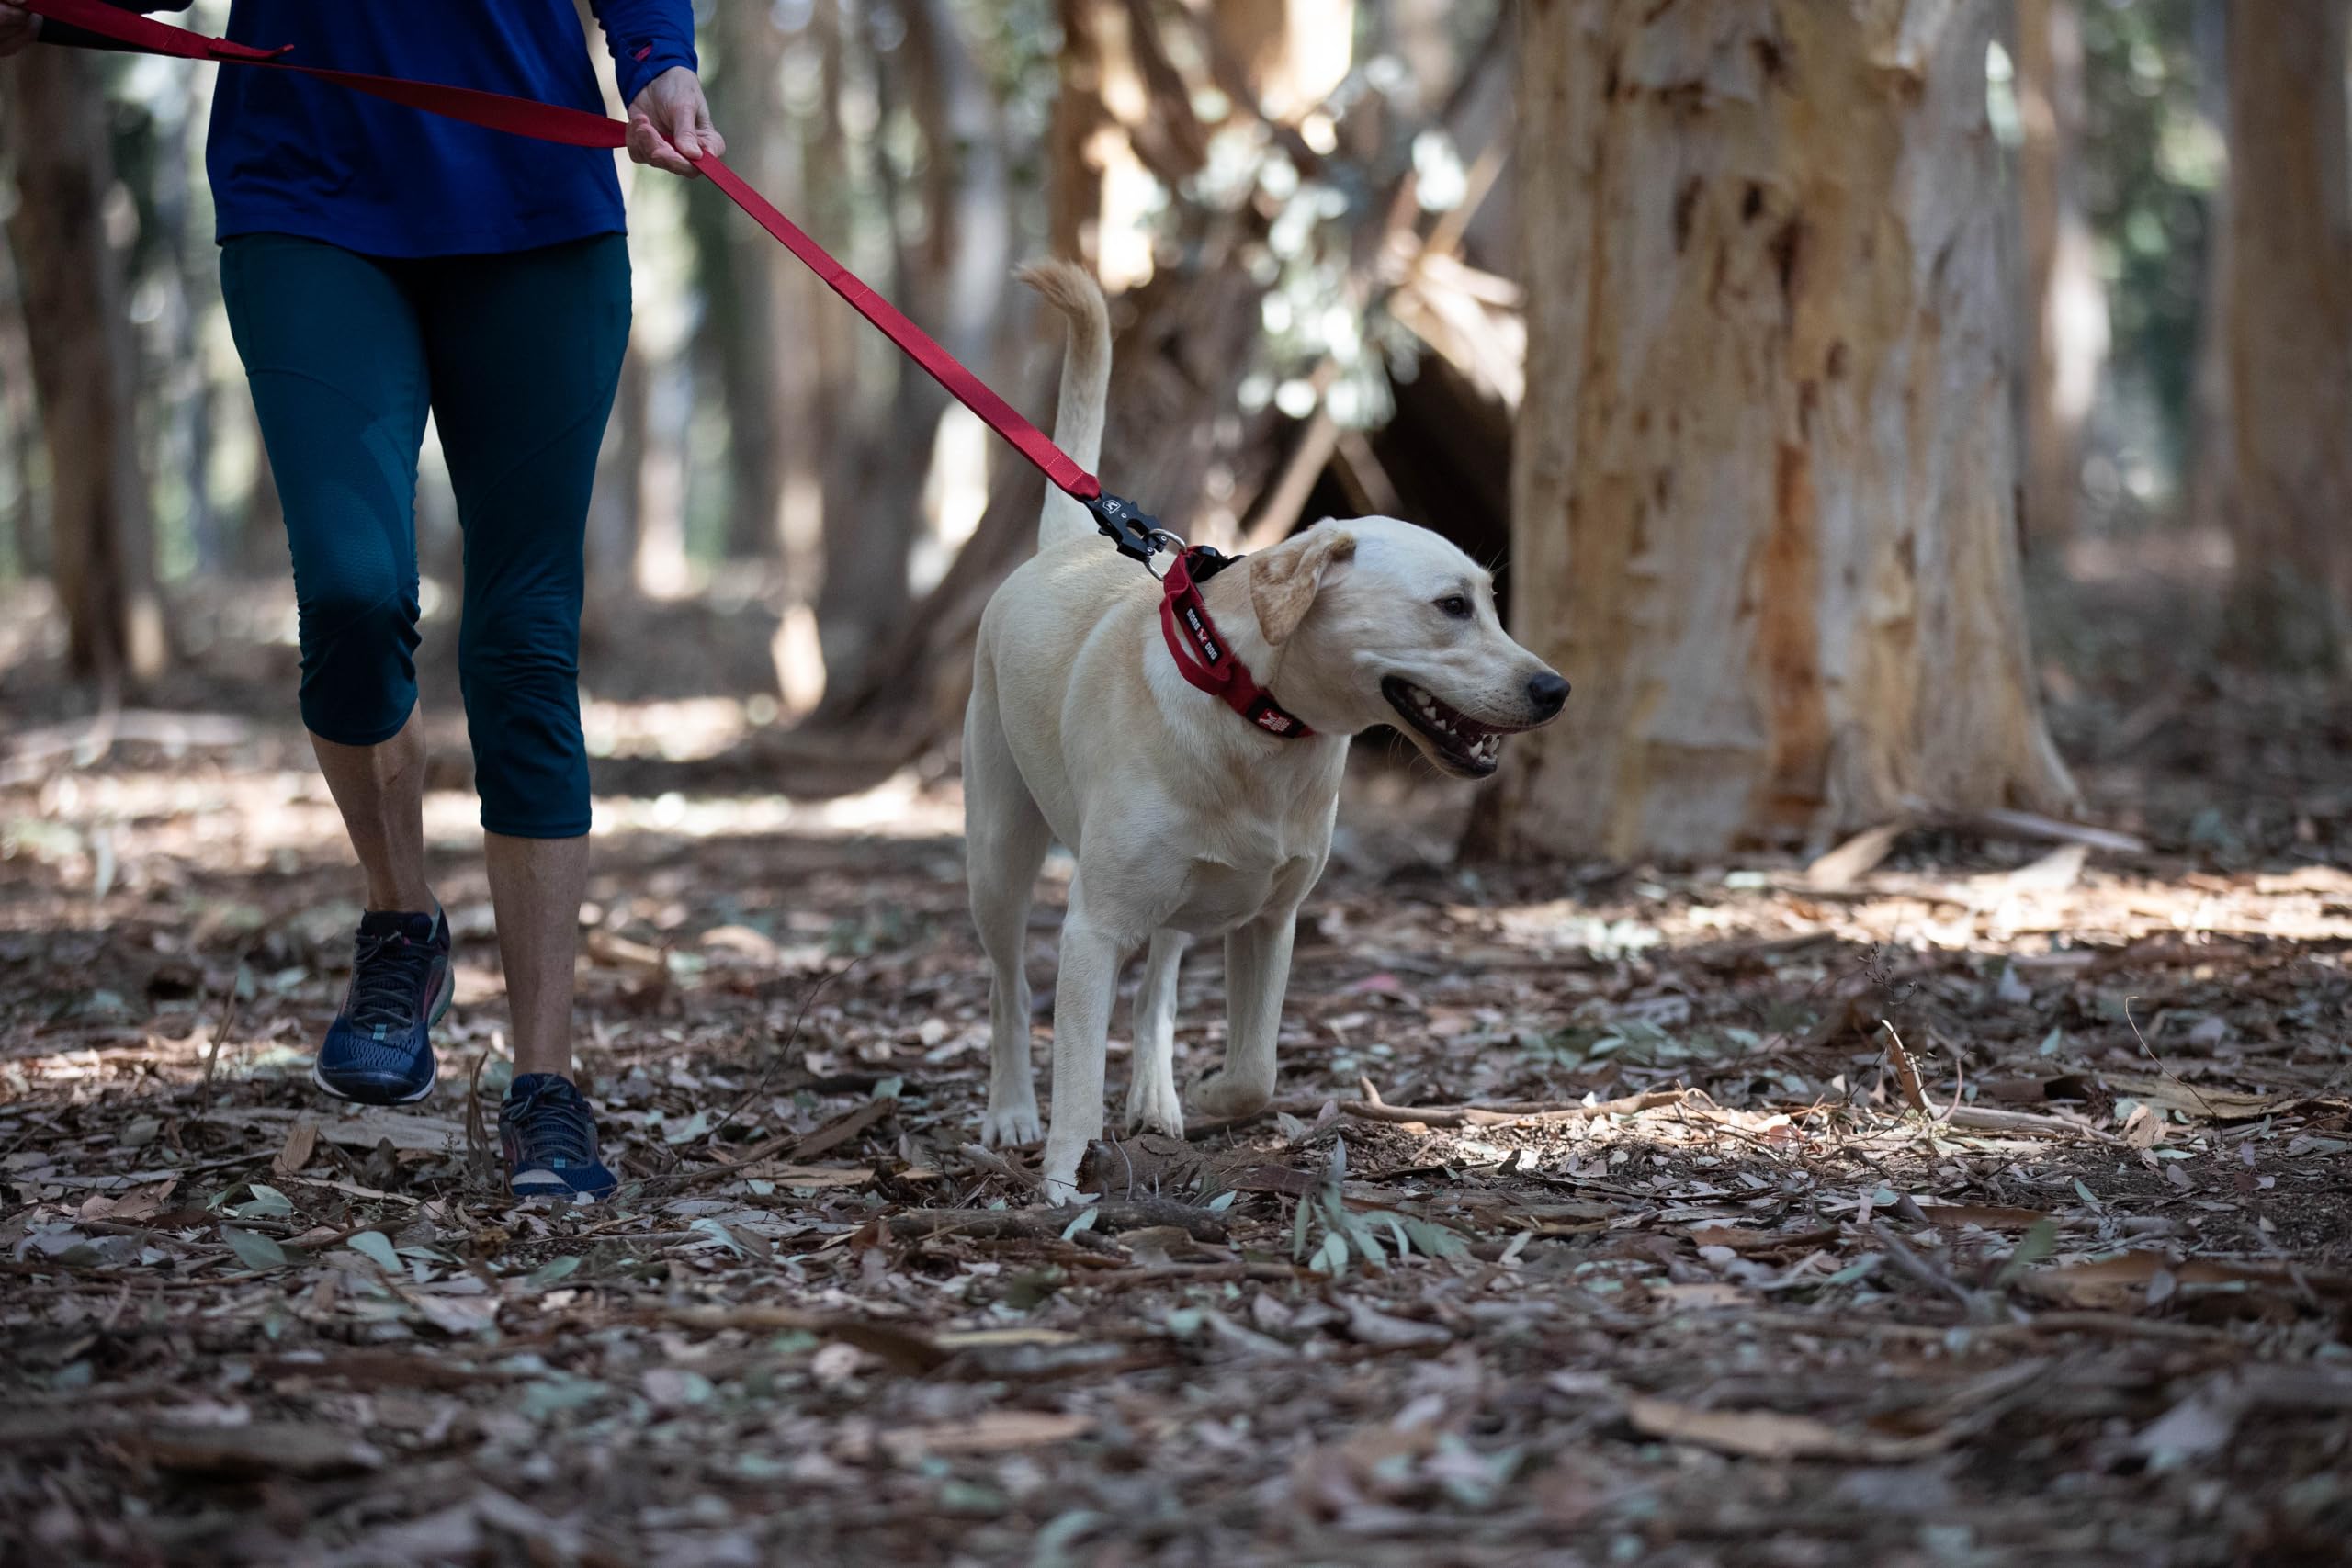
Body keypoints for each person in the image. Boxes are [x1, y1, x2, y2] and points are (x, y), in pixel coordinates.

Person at [0, 0, 721, 1200]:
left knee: (524, 638)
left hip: (536, 195)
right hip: (310, 187)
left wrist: (660, 57)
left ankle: (546, 1085)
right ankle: (402, 920)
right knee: (351, 588)